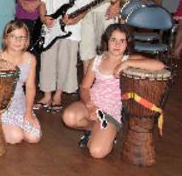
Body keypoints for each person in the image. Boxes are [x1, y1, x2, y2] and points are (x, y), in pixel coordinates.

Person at [62, 24, 164, 158]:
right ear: (106, 42)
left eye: (122, 41)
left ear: (127, 44)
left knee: (96, 152)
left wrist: (125, 64)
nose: (117, 44)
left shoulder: (128, 60)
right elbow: (84, 87)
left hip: (111, 112)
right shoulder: (97, 60)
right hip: (93, 105)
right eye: (113, 40)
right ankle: (92, 129)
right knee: (69, 117)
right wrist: (89, 105)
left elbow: (159, 65)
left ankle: (107, 133)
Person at [34, 0, 89, 112]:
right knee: (47, 61)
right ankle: (47, 94)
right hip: (50, 30)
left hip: (69, 32)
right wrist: (44, 18)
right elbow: (42, 1)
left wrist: (73, 20)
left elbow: (84, 8)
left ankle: (58, 95)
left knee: (65, 63)